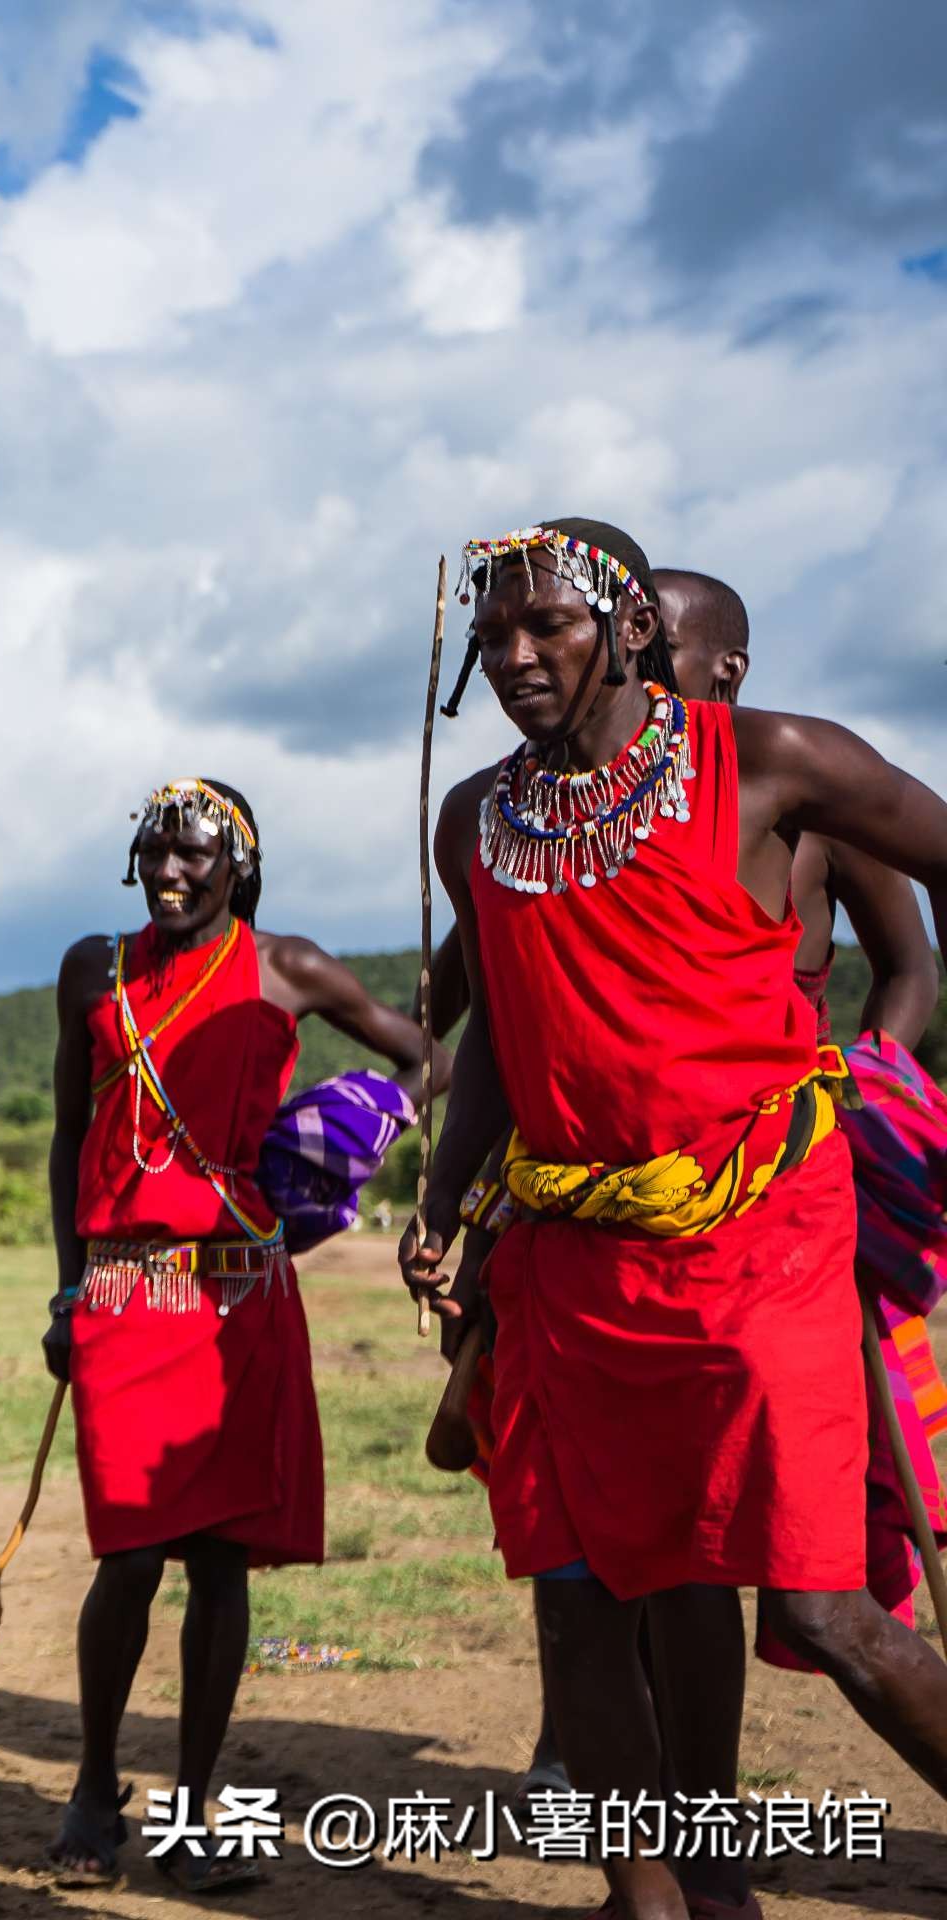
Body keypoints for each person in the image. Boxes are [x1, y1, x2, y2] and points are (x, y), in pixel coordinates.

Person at [404, 519, 947, 1920]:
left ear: (632, 629)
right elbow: (505, 1034)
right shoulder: (481, 820)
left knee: (821, 1607)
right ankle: (663, 1905)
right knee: (585, 1594)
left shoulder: (773, 761)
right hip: (573, 1262)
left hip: (763, 1238)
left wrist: (891, 1086)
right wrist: (448, 1197)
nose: (515, 656)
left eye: (549, 626)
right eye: (493, 634)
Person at [43, 777, 434, 1893]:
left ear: (239, 868)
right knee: (127, 1558)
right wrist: (66, 1292)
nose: (171, 872)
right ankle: (94, 1785)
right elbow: (69, 1137)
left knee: (220, 1562)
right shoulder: (93, 969)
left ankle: (194, 1808)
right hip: (127, 1291)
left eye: (196, 855)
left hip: (240, 1303)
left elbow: (426, 1054)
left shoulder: (286, 968)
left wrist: (349, 1137)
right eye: (155, 851)